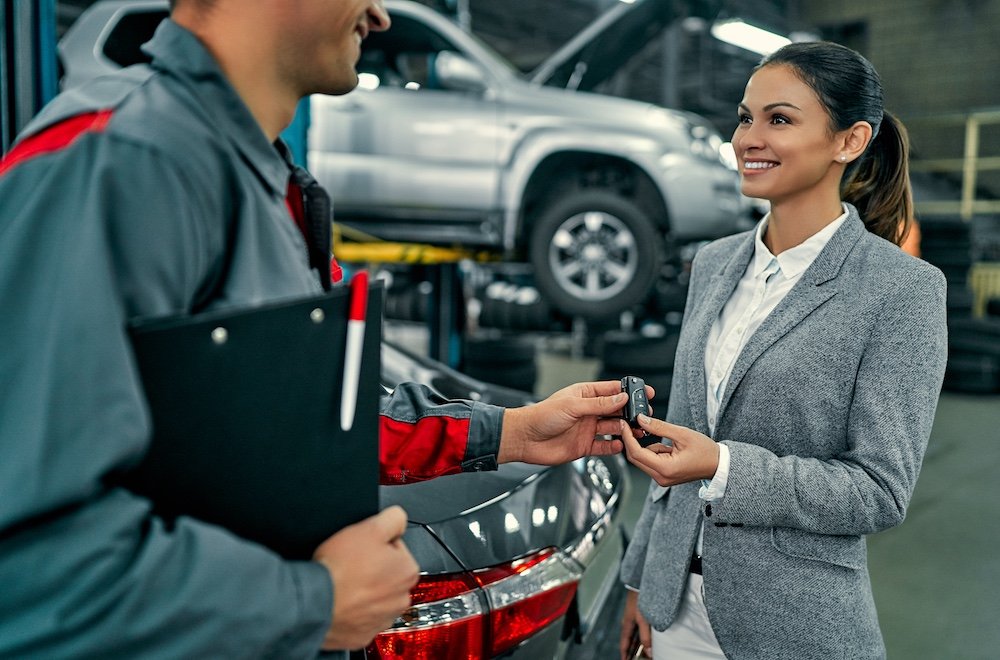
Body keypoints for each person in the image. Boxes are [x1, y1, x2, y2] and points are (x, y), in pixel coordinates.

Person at [0, 1, 640, 657]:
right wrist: (311, 603)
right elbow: (30, 567)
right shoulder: (123, 161)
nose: (381, 15)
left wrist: (514, 432)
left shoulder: (265, 187)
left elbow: (309, 425)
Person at [617, 41, 948, 659]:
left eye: (780, 119)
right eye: (745, 117)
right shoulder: (713, 265)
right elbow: (680, 439)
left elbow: (879, 489)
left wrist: (723, 466)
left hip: (792, 626)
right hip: (673, 611)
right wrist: (637, 582)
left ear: (849, 141)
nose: (749, 138)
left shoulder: (903, 290)